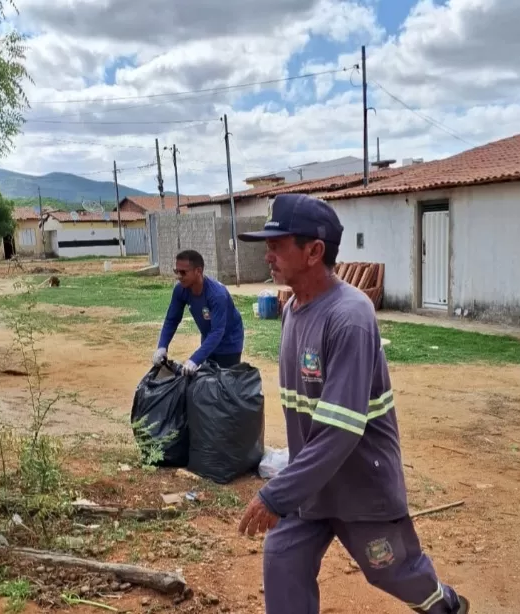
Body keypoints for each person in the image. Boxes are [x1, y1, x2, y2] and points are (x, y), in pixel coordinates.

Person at [236, 194, 469, 614]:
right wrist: (293, 486)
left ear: (314, 251)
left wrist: (276, 494)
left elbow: (340, 430)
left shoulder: (350, 316)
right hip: (311, 483)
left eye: (277, 244)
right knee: (282, 557)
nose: (268, 254)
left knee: (393, 570)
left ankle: (445, 604)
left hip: (360, 485)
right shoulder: (292, 310)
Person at [154, 249, 245, 375]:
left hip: (229, 342)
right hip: (208, 341)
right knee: (208, 385)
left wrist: (195, 360)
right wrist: (162, 346)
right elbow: (172, 319)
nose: (179, 276)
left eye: (183, 272)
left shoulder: (217, 295)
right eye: (176, 271)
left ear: (198, 271)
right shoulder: (180, 290)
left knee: (226, 385)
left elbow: (218, 331)